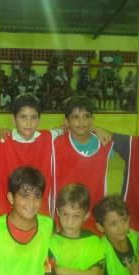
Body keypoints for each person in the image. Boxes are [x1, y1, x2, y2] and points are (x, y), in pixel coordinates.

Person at [53, 96, 112, 234]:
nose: (81, 121)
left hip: (93, 217)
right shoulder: (56, 143)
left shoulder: (105, 143)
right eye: (75, 117)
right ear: (67, 121)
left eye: (86, 116)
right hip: (64, 217)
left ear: (92, 119)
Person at [0, 94, 55, 217]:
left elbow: (71, 127)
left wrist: (94, 129)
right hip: (6, 213)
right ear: (13, 119)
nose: (29, 122)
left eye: (34, 117)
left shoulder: (49, 137)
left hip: (38, 214)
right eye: (23, 117)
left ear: (39, 119)